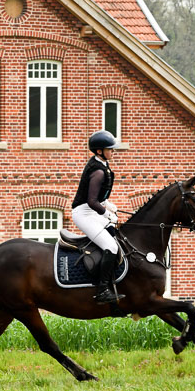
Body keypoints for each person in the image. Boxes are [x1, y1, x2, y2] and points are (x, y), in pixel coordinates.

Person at [72, 130, 126, 304]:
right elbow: (92, 201)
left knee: (117, 237)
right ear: (99, 151)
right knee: (111, 246)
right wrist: (107, 214)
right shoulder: (98, 172)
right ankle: (102, 290)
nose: (113, 151)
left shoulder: (102, 164)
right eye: (109, 149)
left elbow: (99, 197)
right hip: (84, 213)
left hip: (93, 209)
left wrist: (107, 203)